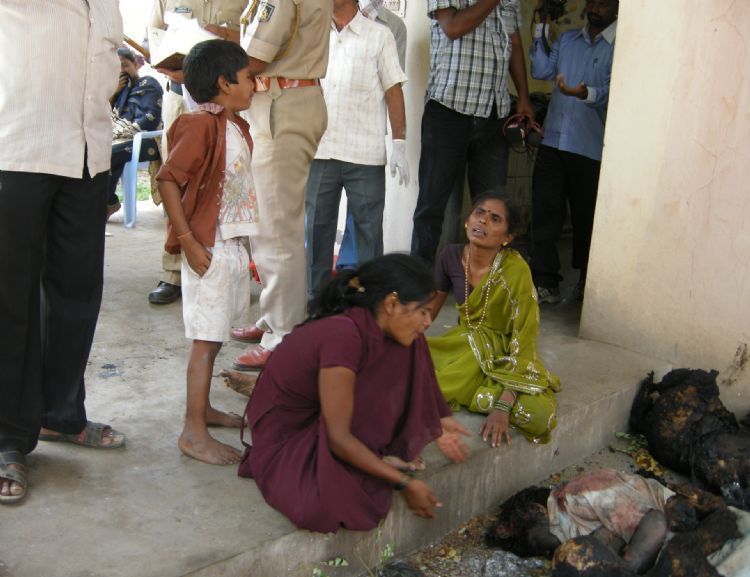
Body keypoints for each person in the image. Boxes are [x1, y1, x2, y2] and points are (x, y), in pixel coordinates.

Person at [240, 254, 471, 532]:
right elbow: (338, 439)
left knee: (413, 342)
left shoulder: (375, 325)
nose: (428, 321)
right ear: (391, 304)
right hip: (288, 431)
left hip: (326, 417)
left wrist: (441, 418)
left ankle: (374, 451)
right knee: (322, 506)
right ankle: (369, 455)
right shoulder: (343, 336)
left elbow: (420, 372)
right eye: (422, 311)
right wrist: (404, 483)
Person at [0, 0, 126, 505]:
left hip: (88, 152)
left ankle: (60, 413)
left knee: (77, 290)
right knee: (11, 298)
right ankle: (7, 437)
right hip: (17, 147)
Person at [156, 39, 258, 465]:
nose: (255, 85)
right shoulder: (200, 125)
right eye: (249, 77)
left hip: (228, 245)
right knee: (204, 341)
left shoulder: (236, 125)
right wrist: (188, 241)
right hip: (208, 248)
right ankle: (192, 432)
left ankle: (204, 411)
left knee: (214, 338)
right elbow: (167, 180)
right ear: (224, 83)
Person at [230, 0, 332, 370]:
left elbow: (255, 57)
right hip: (280, 99)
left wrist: (203, 60)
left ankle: (283, 335)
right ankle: (274, 316)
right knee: (270, 225)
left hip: (282, 103)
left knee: (277, 230)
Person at [427, 193, 561, 448]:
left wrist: (503, 406)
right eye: (479, 213)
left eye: (495, 219)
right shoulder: (450, 255)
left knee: (537, 416)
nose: (483, 221)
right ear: (467, 220)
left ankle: (489, 393)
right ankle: (480, 391)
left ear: (507, 238)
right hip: (464, 345)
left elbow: (525, 337)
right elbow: (428, 310)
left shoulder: (516, 270)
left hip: (506, 355)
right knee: (414, 371)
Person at [410, 0, 535, 266]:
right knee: (432, 204)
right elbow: (452, 27)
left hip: (494, 113)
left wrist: (523, 96)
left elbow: (514, 43)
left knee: (493, 207)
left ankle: (482, 277)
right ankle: (419, 276)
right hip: (448, 109)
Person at [304, 0, 408, 299]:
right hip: (321, 150)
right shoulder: (314, 33)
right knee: (316, 231)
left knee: (368, 233)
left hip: (365, 154)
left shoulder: (379, 35)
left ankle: (370, 306)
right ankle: (317, 303)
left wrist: (399, 143)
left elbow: (393, 90)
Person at [147, 0, 248, 305]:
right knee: (181, 182)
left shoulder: (245, 3)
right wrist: (173, 66)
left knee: (225, 181)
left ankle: (234, 266)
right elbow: (154, 39)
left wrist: (225, 36)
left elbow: (254, 44)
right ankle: (175, 270)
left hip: (227, 104)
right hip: (180, 97)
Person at [528, 0, 618, 304]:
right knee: (545, 212)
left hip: (590, 147)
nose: (596, 8)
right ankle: (545, 282)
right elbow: (541, 69)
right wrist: (542, 26)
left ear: (617, 7)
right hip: (553, 142)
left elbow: (613, 93)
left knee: (585, 219)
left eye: (604, 4)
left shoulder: (619, 47)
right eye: (592, 1)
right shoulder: (567, 40)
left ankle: (585, 283)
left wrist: (584, 93)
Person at [334, 0, 407, 271]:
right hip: (326, 135)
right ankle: (321, 284)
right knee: (317, 218)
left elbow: (392, 85)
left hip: (365, 136)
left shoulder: (392, 28)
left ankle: (356, 274)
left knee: (365, 219)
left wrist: (399, 142)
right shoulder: (322, 21)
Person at [488, 469, 672, 574]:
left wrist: (626, 569)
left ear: (538, 509)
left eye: (536, 543)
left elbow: (655, 522)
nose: (547, 551)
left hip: (676, 526)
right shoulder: (568, 532)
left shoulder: (583, 493)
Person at [107, 47, 164, 219]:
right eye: (115, 68)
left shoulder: (149, 84)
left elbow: (149, 119)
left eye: (125, 65)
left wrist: (122, 132)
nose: (121, 71)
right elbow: (103, 116)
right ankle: (107, 201)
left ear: (135, 65)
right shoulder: (115, 90)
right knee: (94, 151)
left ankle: (106, 204)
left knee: (108, 154)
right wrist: (114, 93)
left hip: (146, 139)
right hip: (118, 137)